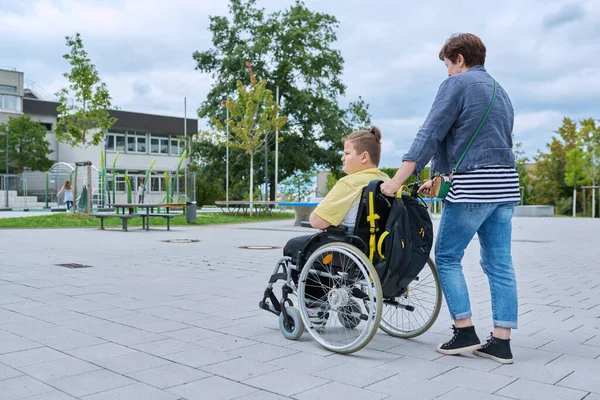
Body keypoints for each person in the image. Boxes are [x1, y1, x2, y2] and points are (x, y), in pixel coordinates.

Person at [381, 33, 520, 364]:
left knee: (446, 257)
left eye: (447, 64)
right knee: (499, 263)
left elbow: (429, 134)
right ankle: (501, 342)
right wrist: (439, 179)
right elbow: (479, 144)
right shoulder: (501, 92)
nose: (446, 73)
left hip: (475, 188)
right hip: (506, 189)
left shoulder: (456, 86)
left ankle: (464, 330)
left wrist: (396, 182)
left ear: (459, 58)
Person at [283, 127, 390, 328]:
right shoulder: (386, 181)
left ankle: (314, 306)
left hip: (349, 248)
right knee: (323, 245)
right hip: (376, 250)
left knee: (295, 247)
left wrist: (328, 223)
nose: (343, 158)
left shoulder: (350, 183)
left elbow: (317, 221)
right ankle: (339, 298)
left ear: (364, 157)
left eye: (347, 153)